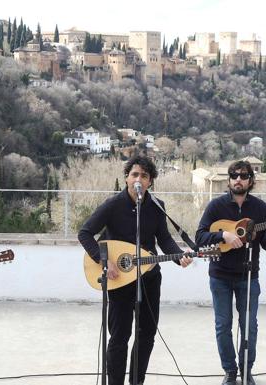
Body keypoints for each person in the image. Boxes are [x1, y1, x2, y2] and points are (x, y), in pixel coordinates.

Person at [78, 155, 193, 385]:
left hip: (149, 278)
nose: (138, 179)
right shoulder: (113, 205)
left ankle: (136, 382)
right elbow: (85, 233)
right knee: (119, 336)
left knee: (146, 335)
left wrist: (178, 257)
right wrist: (103, 260)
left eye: (144, 175)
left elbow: (164, 239)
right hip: (119, 279)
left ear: (150, 181)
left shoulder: (157, 206)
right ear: (127, 178)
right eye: (134, 174)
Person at [195, 160, 266, 385]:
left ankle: (246, 369)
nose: (238, 179)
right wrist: (223, 235)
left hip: (249, 275)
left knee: (249, 326)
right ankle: (230, 371)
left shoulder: (259, 208)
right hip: (220, 276)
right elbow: (200, 237)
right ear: (229, 180)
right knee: (223, 325)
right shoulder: (216, 207)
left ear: (250, 180)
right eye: (234, 176)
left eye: (243, 176)